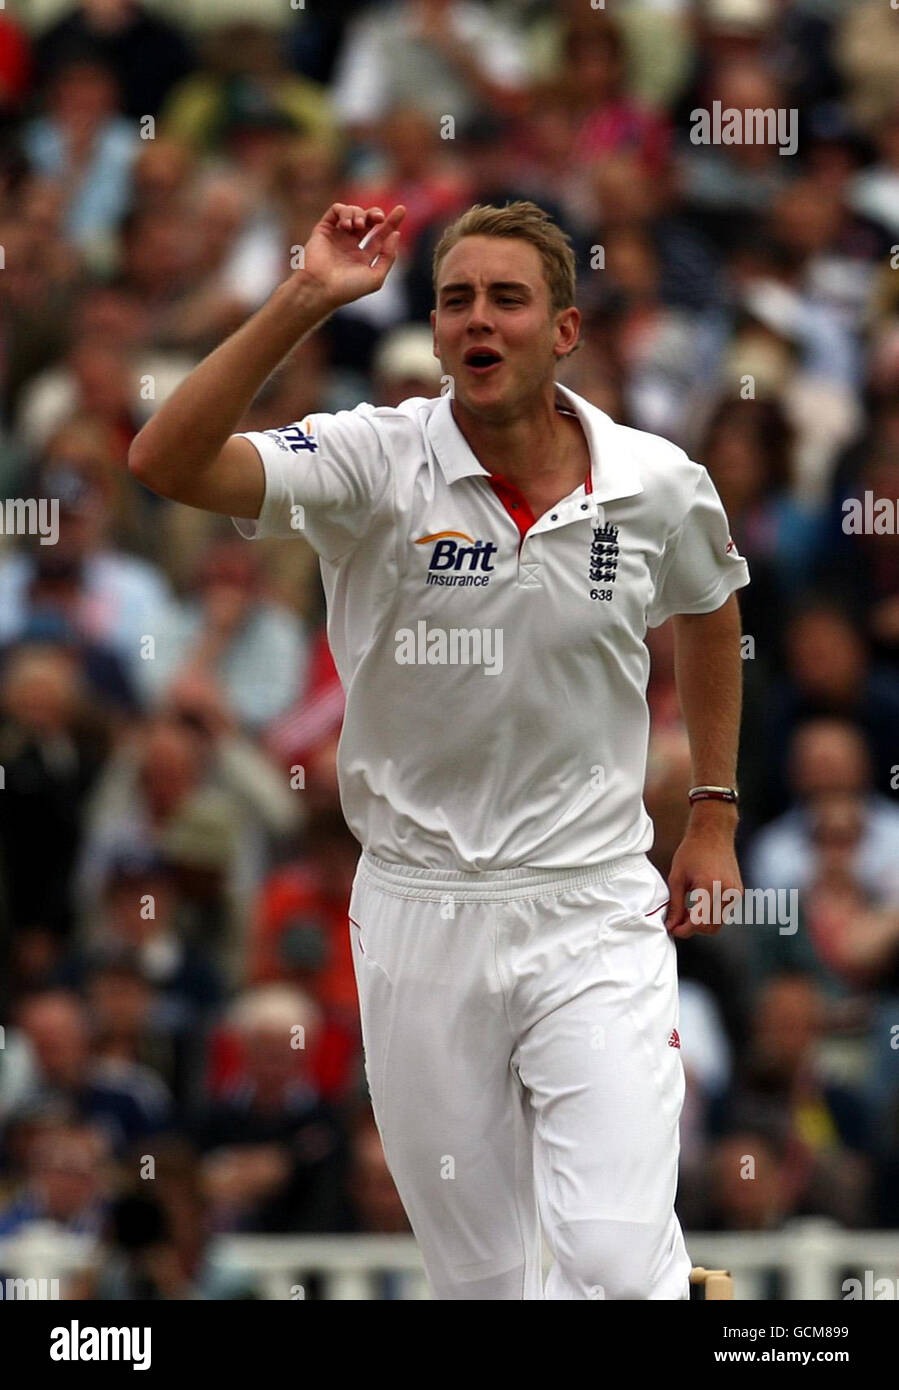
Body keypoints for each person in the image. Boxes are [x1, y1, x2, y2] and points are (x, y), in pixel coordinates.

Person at [129, 197, 749, 1299]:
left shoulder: (650, 479)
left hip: (590, 902)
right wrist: (305, 297)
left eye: (506, 298)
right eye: (455, 298)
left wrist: (710, 811)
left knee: (610, 1254)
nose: (478, 319)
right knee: (484, 1285)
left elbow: (708, 608)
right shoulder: (372, 460)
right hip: (417, 910)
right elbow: (166, 459)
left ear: (562, 329)